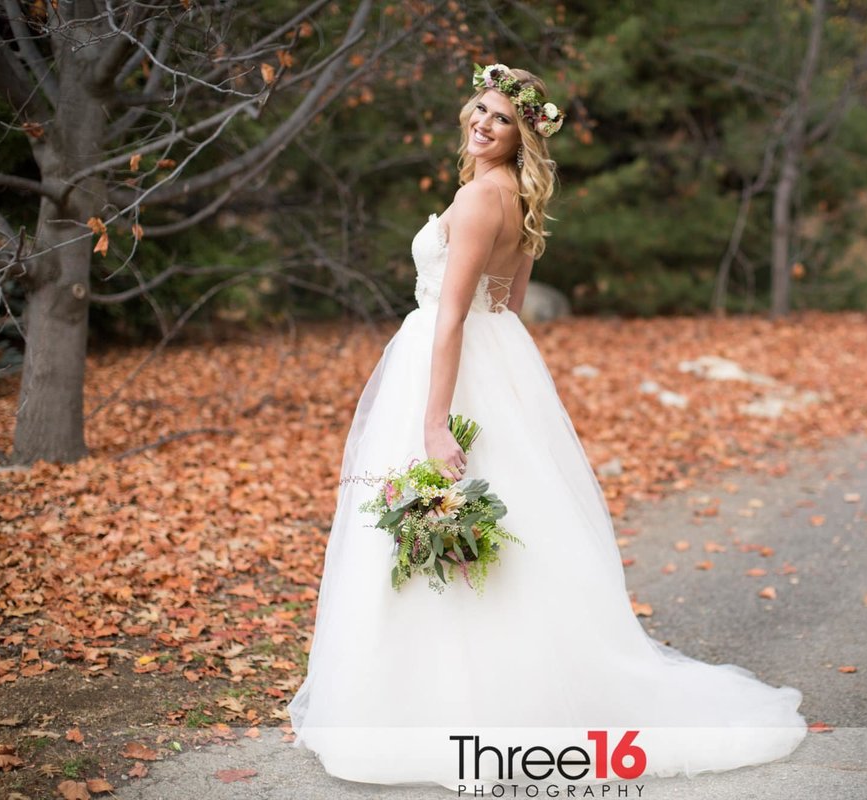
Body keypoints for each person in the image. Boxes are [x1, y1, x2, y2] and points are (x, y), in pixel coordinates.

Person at [286, 64, 808, 793]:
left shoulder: (477, 199)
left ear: (522, 133)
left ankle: (443, 706)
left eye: (501, 118)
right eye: (479, 109)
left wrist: (436, 421)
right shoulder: (522, 201)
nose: (483, 123)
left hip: (451, 363)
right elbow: (512, 302)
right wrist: (501, 391)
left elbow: (453, 317)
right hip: (498, 362)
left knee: (444, 514)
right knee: (496, 525)